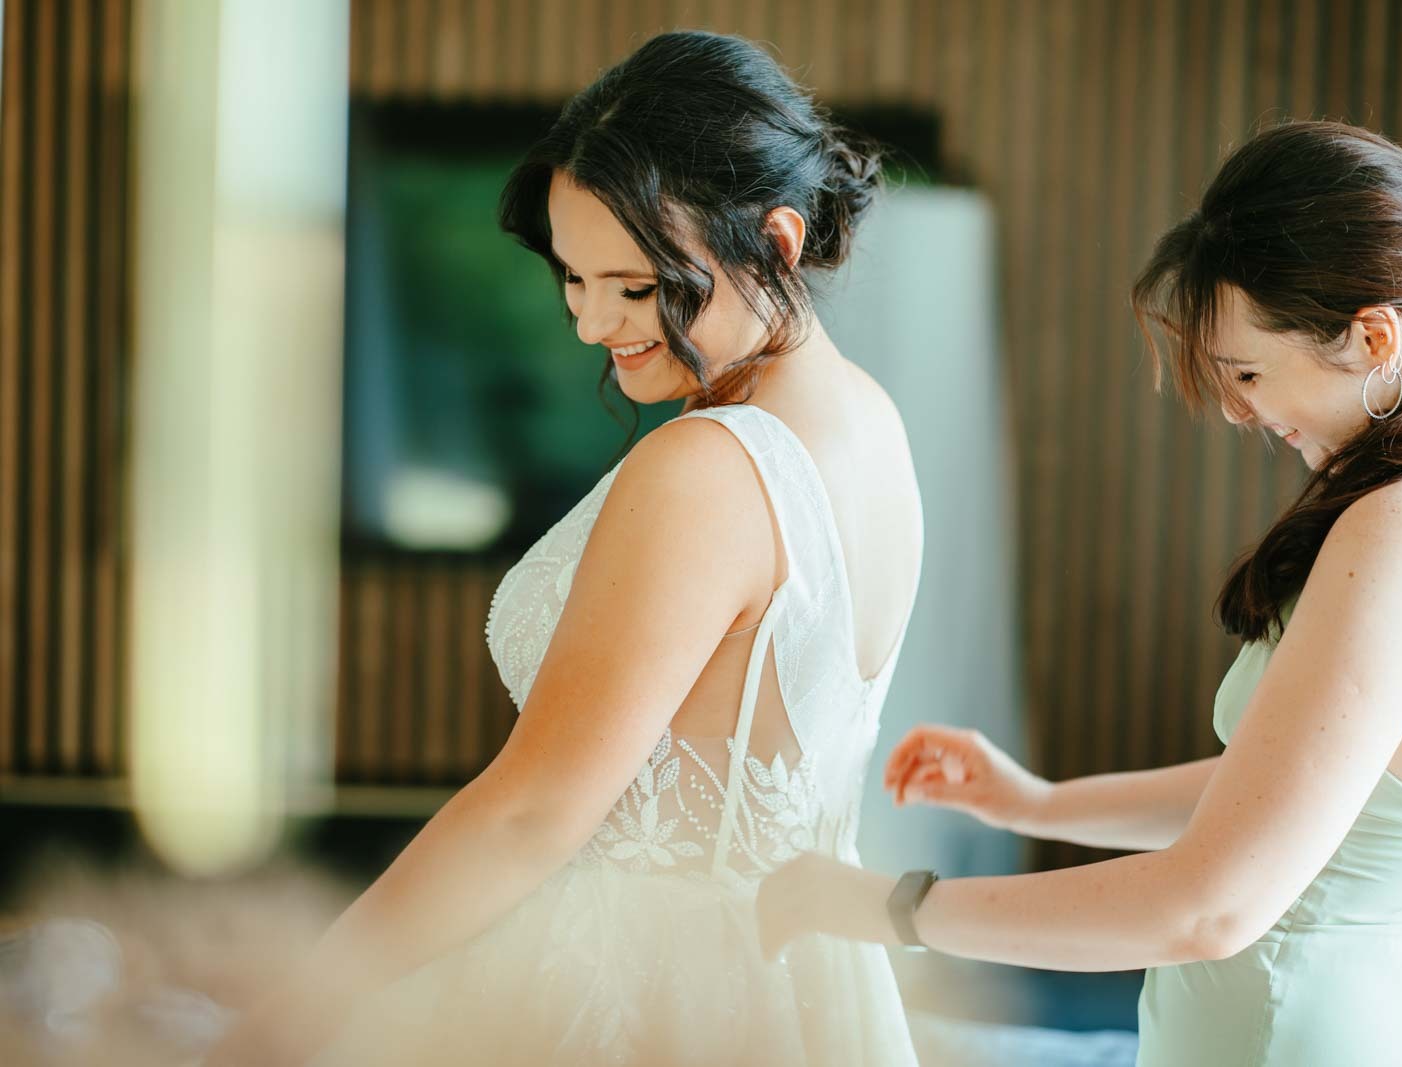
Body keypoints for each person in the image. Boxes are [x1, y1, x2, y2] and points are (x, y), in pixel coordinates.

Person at [758, 120, 1402, 1066]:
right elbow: (1313, 796)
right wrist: (1040, 802)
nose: (1238, 410)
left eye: (1248, 372)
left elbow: (1208, 906)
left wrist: (889, 907)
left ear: (1372, 336)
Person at [204, 30, 924, 1067]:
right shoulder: (867, 417)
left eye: (633, 287)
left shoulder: (710, 466)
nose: (591, 323)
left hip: (653, 989)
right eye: (574, 278)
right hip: (808, 986)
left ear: (774, 241)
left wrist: (292, 1014)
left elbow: (531, 814)